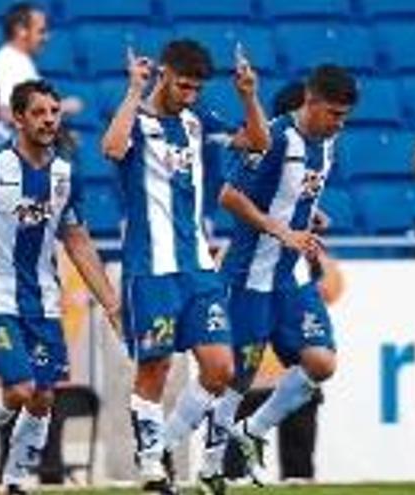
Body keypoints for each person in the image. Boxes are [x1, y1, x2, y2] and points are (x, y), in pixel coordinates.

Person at [100, 39, 269, 494]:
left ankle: (160, 446)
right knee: (154, 370)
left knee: (220, 369)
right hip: (150, 267)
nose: (190, 95)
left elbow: (259, 142)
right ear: (164, 75)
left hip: (197, 268)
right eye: (183, 86)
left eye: (196, 88)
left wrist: (249, 95)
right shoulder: (135, 120)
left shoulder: (197, 121)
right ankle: (153, 465)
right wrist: (134, 91)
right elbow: (112, 149)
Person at [0, 80, 121, 495]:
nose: (48, 120)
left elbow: (77, 241)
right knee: (20, 388)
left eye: (54, 112)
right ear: (18, 117)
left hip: (44, 300)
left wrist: (112, 304)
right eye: (39, 112)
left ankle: (13, 483)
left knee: (43, 398)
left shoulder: (65, 175)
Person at [198, 64, 358, 494]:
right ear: (310, 101)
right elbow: (230, 196)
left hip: (291, 278)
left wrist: (310, 216)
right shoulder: (272, 138)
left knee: (321, 362)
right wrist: (282, 230)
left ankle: (253, 430)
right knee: (237, 379)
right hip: (250, 275)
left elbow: (296, 192)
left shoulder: (327, 143)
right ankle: (211, 468)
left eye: (344, 117)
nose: (339, 125)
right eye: (333, 115)